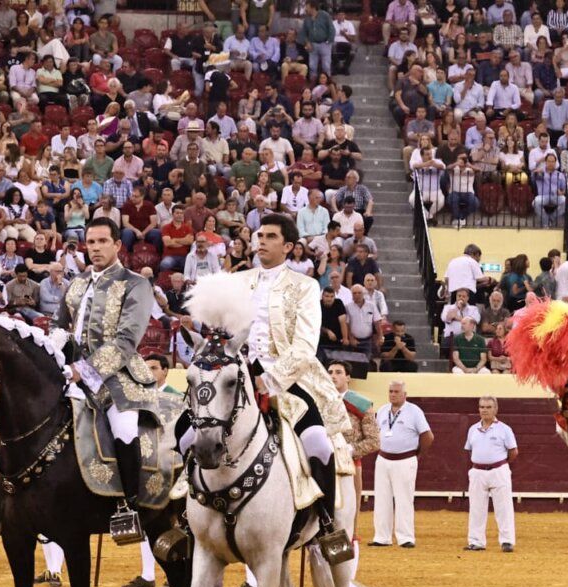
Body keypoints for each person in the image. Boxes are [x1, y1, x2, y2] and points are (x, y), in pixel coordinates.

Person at [183, 214, 356, 563]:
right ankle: (184, 520)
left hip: (289, 382)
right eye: (259, 235)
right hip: (235, 379)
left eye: (271, 236)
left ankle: (325, 525)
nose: (260, 241)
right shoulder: (235, 281)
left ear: (288, 246)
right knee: (187, 435)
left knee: (318, 442)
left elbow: (305, 346)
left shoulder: (305, 286)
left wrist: (271, 380)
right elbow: (220, 335)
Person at [49, 218, 159, 542]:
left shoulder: (135, 283)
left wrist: (85, 370)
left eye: (101, 242)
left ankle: (130, 506)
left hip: (118, 379)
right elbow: (58, 324)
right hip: (71, 373)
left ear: (117, 245)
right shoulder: (76, 284)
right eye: (91, 242)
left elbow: (127, 340)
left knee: (124, 427)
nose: (95, 248)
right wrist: (54, 350)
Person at [122, 354, 181, 587]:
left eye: (154, 368)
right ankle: (148, 575)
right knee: (146, 519)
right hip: (146, 466)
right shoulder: (139, 399)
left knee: (175, 523)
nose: (149, 373)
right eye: (145, 369)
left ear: (166, 371)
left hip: (172, 466)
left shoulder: (177, 398)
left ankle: (174, 570)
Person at [369, 381, 433, 549]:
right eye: (390, 391)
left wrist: (417, 455)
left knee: (404, 499)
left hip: (405, 459)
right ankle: (382, 536)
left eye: (397, 391)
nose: (393, 394)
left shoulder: (414, 411)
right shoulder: (382, 410)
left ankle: (405, 537)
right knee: (381, 499)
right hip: (383, 459)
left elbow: (428, 436)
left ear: (405, 394)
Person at [328, 359, 379, 539]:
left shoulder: (361, 403)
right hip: (323, 463)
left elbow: (374, 441)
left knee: (348, 513)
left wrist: (349, 450)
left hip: (350, 465)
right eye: (330, 372)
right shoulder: (320, 401)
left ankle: (349, 544)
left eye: (338, 372)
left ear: (348, 377)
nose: (333, 376)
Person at [464, 396, 517, 553]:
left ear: (495, 409)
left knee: (504, 507)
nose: (484, 410)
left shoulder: (504, 429)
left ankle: (507, 541)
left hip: (498, 470)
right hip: (478, 472)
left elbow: (513, 452)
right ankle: (476, 541)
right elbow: (470, 450)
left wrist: (499, 463)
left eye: (488, 407)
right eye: (482, 407)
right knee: (476, 508)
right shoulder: (472, 429)